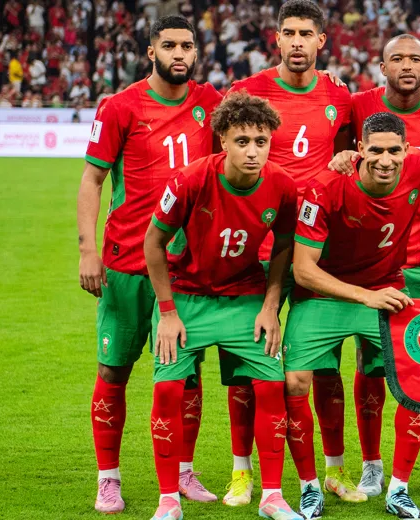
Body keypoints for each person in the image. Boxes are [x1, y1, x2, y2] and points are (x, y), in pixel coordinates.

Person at [284, 112, 420, 520]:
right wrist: (365, 296)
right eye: (376, 150)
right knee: (294, 382)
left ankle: (398, 489)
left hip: (387, 289)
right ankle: (310, 488)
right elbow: (302, 269)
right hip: (323, 294)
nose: (386, 160)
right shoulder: (324, 188)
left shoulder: (417, 165)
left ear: (407, 150)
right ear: (359, 149)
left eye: (395, 150)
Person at [77, 15, 223, 513]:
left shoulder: (210, 103)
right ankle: (108, 478)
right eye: (169, 45)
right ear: (151, 52)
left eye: (187, 46)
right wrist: (88, 251)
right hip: (126, 262)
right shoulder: (120, 106)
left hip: (186, 267)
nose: (179, 54)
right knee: (113, 369)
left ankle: (183, 471)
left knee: (187, 375)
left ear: (196, 53)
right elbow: (92, 180)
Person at [223, 0, 357, 507]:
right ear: (276, 38)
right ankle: (241, 473)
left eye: (306, 33)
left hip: (316, 250)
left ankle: (335, 470)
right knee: (247, 365)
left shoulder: (339, 95)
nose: (297, 41)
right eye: (289, 32)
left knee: (324, 367)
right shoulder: (247, 92)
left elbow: (346, 159)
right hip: (254, 248)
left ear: (322, 40)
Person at [143, 92, 301, 520]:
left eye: (261, 142)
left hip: (245, 299)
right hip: (186, 299)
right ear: (223, 141)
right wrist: (167, 312)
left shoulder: (283, 185)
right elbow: (153, 243)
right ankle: (168, 501)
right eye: (242, 141)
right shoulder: (190, 180)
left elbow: (284, 245)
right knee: (167, 390)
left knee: (271, 386)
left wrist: (271, 305)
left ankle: (271, 497)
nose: (253, 151)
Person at [348, 33, 420, 497]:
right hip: (372, 267)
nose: (407, 66)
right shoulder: (357, 106)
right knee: (371, 366)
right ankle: (372, 463)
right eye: (397, 59)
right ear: (382, 67)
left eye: (416, 59)